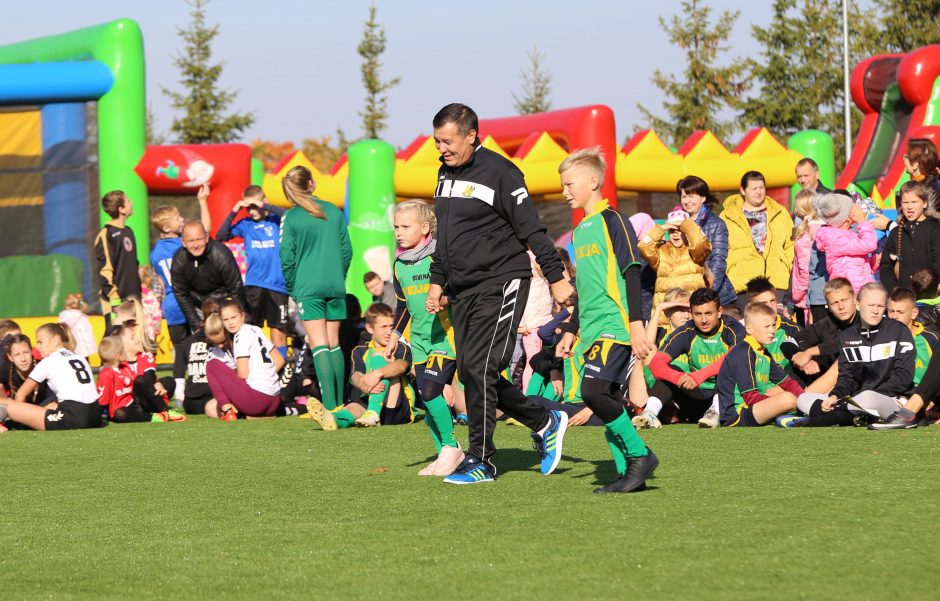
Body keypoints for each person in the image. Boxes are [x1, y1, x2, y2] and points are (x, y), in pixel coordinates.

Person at [427, 103, 575, 485]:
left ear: (471, 135)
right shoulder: (445, 174)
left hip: (502, 280)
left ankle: (481, 461)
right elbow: (444, 237)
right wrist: (437, 280)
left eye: (448, 141)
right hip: (463, 290)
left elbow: (532, 230)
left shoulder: (502, 173)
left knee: (479, 369)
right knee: (476, 372)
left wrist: (557, 277)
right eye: (437, 141)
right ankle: (545, 420)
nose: (441, 148)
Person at [554, 147, 657, 493]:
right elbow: (587, 285)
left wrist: (636, 323)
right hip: (593, 328)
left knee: (593, 392)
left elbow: (630, 270)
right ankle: (628, 473)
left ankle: (641, 456)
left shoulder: (614, 220)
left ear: (593, 181)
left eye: (570, 184)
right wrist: (571, 328)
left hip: (617, 323)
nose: (565, 191)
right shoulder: (580, 231)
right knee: (609, 398)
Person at [383, 200, 464, 476]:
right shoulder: (398, 265)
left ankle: (452, 447)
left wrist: (444, 300)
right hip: (418, 340)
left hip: (445, 336)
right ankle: (445, 452)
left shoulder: (439, 257)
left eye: (405, 226)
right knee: (425, 397)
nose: (399, 232)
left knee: (431, 391)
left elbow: (460, 292)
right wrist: (395, 333)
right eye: (396, 227)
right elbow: (403, 305)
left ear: (425, 227)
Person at [279, 166, 352, 412]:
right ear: (311, 183)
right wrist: (337, 276)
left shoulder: (291, 218)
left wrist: (293, 287)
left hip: (307, 286)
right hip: (335, 283)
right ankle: (341, 403)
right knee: (334, 343)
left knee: (319, 343)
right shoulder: (334, 211)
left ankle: (329, 407)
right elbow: (346, 251)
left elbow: (286, 258)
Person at [794, 283, 915, 427]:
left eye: (880, 306)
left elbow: (904, 378)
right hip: (856, 400)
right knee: (803, 399)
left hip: (893, 400)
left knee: (867, 398)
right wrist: (835, 395)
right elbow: (847, 378)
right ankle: (854, 416)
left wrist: (864, 394)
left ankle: (818, 421)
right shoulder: (847, 336)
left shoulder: (899, 331)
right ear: (858, 304)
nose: (876, 311)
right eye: (871, 305)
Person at [648, 287, 746, 427]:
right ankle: (649, 414)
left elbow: (734, 358)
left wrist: (699, 375)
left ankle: (715, 413)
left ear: (719, 312)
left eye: (708, 313)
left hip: (727, 399)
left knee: (729, 368)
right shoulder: (687, 331)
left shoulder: (733, 329)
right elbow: (656, 363)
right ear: (692, 314)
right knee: (671, 369)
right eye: (698, 314)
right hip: (696, 398)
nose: (703, 320)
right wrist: (678, 377)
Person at [312, 303, 417, 432]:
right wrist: (363, 384)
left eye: (392, 326)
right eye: (384, 327)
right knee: (353, 407)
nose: (389, 331)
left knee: (382, 357)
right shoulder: (359, 351)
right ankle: (334, 418)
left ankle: (373, 412)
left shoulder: (400, 346)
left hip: (396, 408)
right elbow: (355, 375)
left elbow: (402, 366)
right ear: (370, 328)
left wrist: (377, 374)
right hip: (369, 397)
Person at [217, 185, 290, 359]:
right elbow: (221, 236)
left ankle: (282, 374)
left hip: (277, 286)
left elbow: (289, 216)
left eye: (254, 206)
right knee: (250, 330)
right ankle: (253, 368)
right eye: (248, 207)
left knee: (278, 332)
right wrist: (235, 210)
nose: (251, 211)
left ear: (263, 202)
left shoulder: (276, 221)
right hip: (253, 286)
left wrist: (265, 206)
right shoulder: (246, 225)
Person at [150, 185, 212, 390]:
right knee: (201, 343)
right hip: (187, 300)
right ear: (167, 228)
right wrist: (203, 201)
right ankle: (201, 385)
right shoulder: (181, 245)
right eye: (178, 218)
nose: (182, 220)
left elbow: (159, 280)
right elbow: (205, 233)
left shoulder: (155, 253)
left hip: (170, 302)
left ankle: (179, 391)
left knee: (179, 348)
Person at [0, 323, 100, 432]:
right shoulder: (79, 357)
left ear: (55, 340)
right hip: (95, 415)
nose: (37, 347)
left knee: (10, 408)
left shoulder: (48, 361)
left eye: (40, 342)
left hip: (73, 416)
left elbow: (20, 395)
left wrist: (22, 418)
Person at [716, 302, 803, 427]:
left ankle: (787, 417)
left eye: (773, 325)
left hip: (754, 408)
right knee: (788, 399)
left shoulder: (764, 352)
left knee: (798, 396)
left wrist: (805, 399)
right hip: (737, 415)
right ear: (749, 329)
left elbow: (787, 382)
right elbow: (750, 398)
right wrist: (781, 404)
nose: (772, 331)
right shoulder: (743, 352)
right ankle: (789, 416)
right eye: (767, 326)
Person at [721, 171, 794, 308]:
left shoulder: (779, 212)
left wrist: (787, 266)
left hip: (776, 281)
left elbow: (791, 244)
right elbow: (721, 249)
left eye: (761, 188)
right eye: (754, 188)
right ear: (743, 190)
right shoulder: (727, 216)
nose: (758, 192)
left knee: (776, 324)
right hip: (743, 284)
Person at [207, 299, 284, 420]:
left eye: (233, 317)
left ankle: (228, 410)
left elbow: (243, 374)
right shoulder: (256, 329)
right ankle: (258, 414)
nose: (230, 322)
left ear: (242, 316)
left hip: (257, 400)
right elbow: (279, 360)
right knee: (211, 406)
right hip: (274, 400)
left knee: (212, 365)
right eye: (226, 320)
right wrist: (264, 376)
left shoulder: (240, 335)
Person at [171, 220, 245, 334]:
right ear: (183, 242)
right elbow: (181, 294)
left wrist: (233, 315)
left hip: (223, 302)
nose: (195, 245)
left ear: (206, 237)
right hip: (197, 306)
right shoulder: (179, 260)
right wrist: (196, 325)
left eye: (199, 239)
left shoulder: (221, 254)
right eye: (190, 241)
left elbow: (235, 288)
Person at [96, 335, 185, 423]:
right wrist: (101, 415)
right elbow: (102, 398)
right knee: (120, 415)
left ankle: (164, 412)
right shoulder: (106, 373)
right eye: (122, 350)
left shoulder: (124, 367)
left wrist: (156, 384)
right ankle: (154, 416)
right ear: (118, 356)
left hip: (134, 402)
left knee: (164, 381)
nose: (125, 351)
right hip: (120, 408)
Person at [677, 175, 736, 307]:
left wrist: (708, 293)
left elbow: (718, 261)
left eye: (691, 196)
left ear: (703, 198)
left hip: (712, 293)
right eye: (684, 196)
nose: (687, 201)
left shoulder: (717, 224)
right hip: (685, 290)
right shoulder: (678, 221)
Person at [790, 278, 859, 390]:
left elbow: (851, 342)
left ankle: (804, 399)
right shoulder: (827, 323)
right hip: (832, 380)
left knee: (843, 359)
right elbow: (793, 341)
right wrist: (804, 359)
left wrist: (811, 352)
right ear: (828, 307)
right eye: (835, 303)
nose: (841, 307)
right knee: (797, 366)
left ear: (855, 299)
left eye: (844, 300)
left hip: (861, 377)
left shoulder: (865, 319)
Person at [638, 205, 711, 309]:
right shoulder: (661, 251)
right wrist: (662, 227)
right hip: (665, 313)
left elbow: (701, 244)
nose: (675, 234)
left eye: (679, 230)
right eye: (672, 230)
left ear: (686, 231)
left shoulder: (695, 252)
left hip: (691, 309)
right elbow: (643, 246)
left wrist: (687, 225)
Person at [879, 180, 940, 290]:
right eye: (905, 203)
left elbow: (938, 261)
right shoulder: (896, 232)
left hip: (930, 295)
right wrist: (893, 289)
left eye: (914, 202)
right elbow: (885, 266)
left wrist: (930, 286)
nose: (909, 207)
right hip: (904, 295)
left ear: (925, 203)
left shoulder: (934, 229)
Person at [813, 193, 877, 293]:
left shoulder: (847, 234)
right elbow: (869, 244)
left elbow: (854, 264)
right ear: (846, 217)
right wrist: (862, 221)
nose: (857, 208)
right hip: (849, 294)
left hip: (859, 291)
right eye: (852, 207)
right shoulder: (835, 239)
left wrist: (873, 262)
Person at [94, 190, 141, 325]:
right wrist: (114, 298)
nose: (131, 202)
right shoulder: (107, 234)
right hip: (116, 300)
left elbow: (132, 264)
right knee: (115, 338)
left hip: (134, 298)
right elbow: (105, 269)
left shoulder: (128, 231)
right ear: (121, 209)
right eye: (128, 201)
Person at [174, 300, 222, 418]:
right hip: (213, 400)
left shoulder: (186, 342)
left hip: (189, 403)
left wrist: (179, 399)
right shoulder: (220, 340)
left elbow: (178, 374)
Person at [744, 276, 801, 371]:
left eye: (773, 301)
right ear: (752, 306)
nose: (770, 306)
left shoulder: (793, 329)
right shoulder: (743, 331)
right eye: (764, 303)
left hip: (787, 383)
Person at [790, 189, 823, 325]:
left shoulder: (804, 236)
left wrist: (797, 294)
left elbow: (805, 269)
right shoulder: (826, 229)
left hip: (807, 298)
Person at [0, 334, 54, 406]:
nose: (23, 359)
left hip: (43, 410)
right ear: (10, 357)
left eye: (26, 352)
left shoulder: (44, 367)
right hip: (17, 410)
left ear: (32, 351)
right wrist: (12, 403)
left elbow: (54, 397)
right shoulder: (5, 369)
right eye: (17, 354)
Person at [903, 138, 940, 212]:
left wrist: (890, 224)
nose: (904, 160)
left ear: (915, 164)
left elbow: (930, 221)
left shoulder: (929, 189)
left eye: (906, 156)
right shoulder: (922, 184)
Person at [58, 293, 96, 360]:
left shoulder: (81, 314)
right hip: (75, 347)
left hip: (82, 347)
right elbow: (65, 325)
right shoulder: (68, 314)